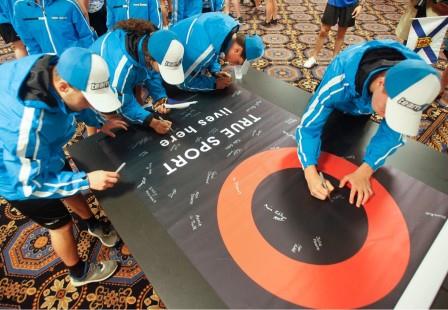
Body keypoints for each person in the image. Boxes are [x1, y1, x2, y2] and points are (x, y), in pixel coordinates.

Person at [0, 47, 130, 287]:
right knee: (61, 224)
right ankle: (78, 272)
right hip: (15, 176)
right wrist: (86, 181)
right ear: (63, 88)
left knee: (67, 181)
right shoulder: (28, 127)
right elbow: (30, 184)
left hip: (42, 149)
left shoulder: (54, 65)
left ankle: (92, 224)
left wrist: (99, 123)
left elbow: (76, 105)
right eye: (88, 99)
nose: (92, 104)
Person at [296, 40, 440, 207]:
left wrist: (366, 170)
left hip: (366, 104)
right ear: (381, 83)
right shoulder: (338, 79)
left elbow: (394, 134)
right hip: (340, 100)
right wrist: (310, 173)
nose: (389, 117)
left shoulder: (416, 81)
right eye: (390, 108)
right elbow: (308, 129)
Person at [90, 19, 185, 133]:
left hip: (126, 69)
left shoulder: (153, 38)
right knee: (116, 122)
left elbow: (152, 72)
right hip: (98, 82)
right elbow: (124, 105)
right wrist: (153, 122)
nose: (162, 72)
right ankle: (94, 135)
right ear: (150, 58)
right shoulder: (121, 71)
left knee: (137, 103)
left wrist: (160, 98)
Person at [170, 12, 264, 92]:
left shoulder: (227, 23)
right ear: (237, 50)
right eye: (238, 62)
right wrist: (213, 84)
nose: (234, 65)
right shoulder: (202, 53)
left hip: (180, 31)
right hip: (165, 64)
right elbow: (182, 83)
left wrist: (215, 70)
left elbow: (217, 47)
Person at [13, 0, 96, 55]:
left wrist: (89, 59)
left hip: (75, 62)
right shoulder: (20, 7)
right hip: (48, 67)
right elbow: (30, 43)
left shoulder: (68, 4)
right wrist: (39, 65)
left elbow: (86, 35)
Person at [303, 0, 363, 69]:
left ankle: (334, 59)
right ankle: (313, 57)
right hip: (334, 2)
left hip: (351, 4)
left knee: (341, 33)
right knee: (324, 30)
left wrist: (360, 5)